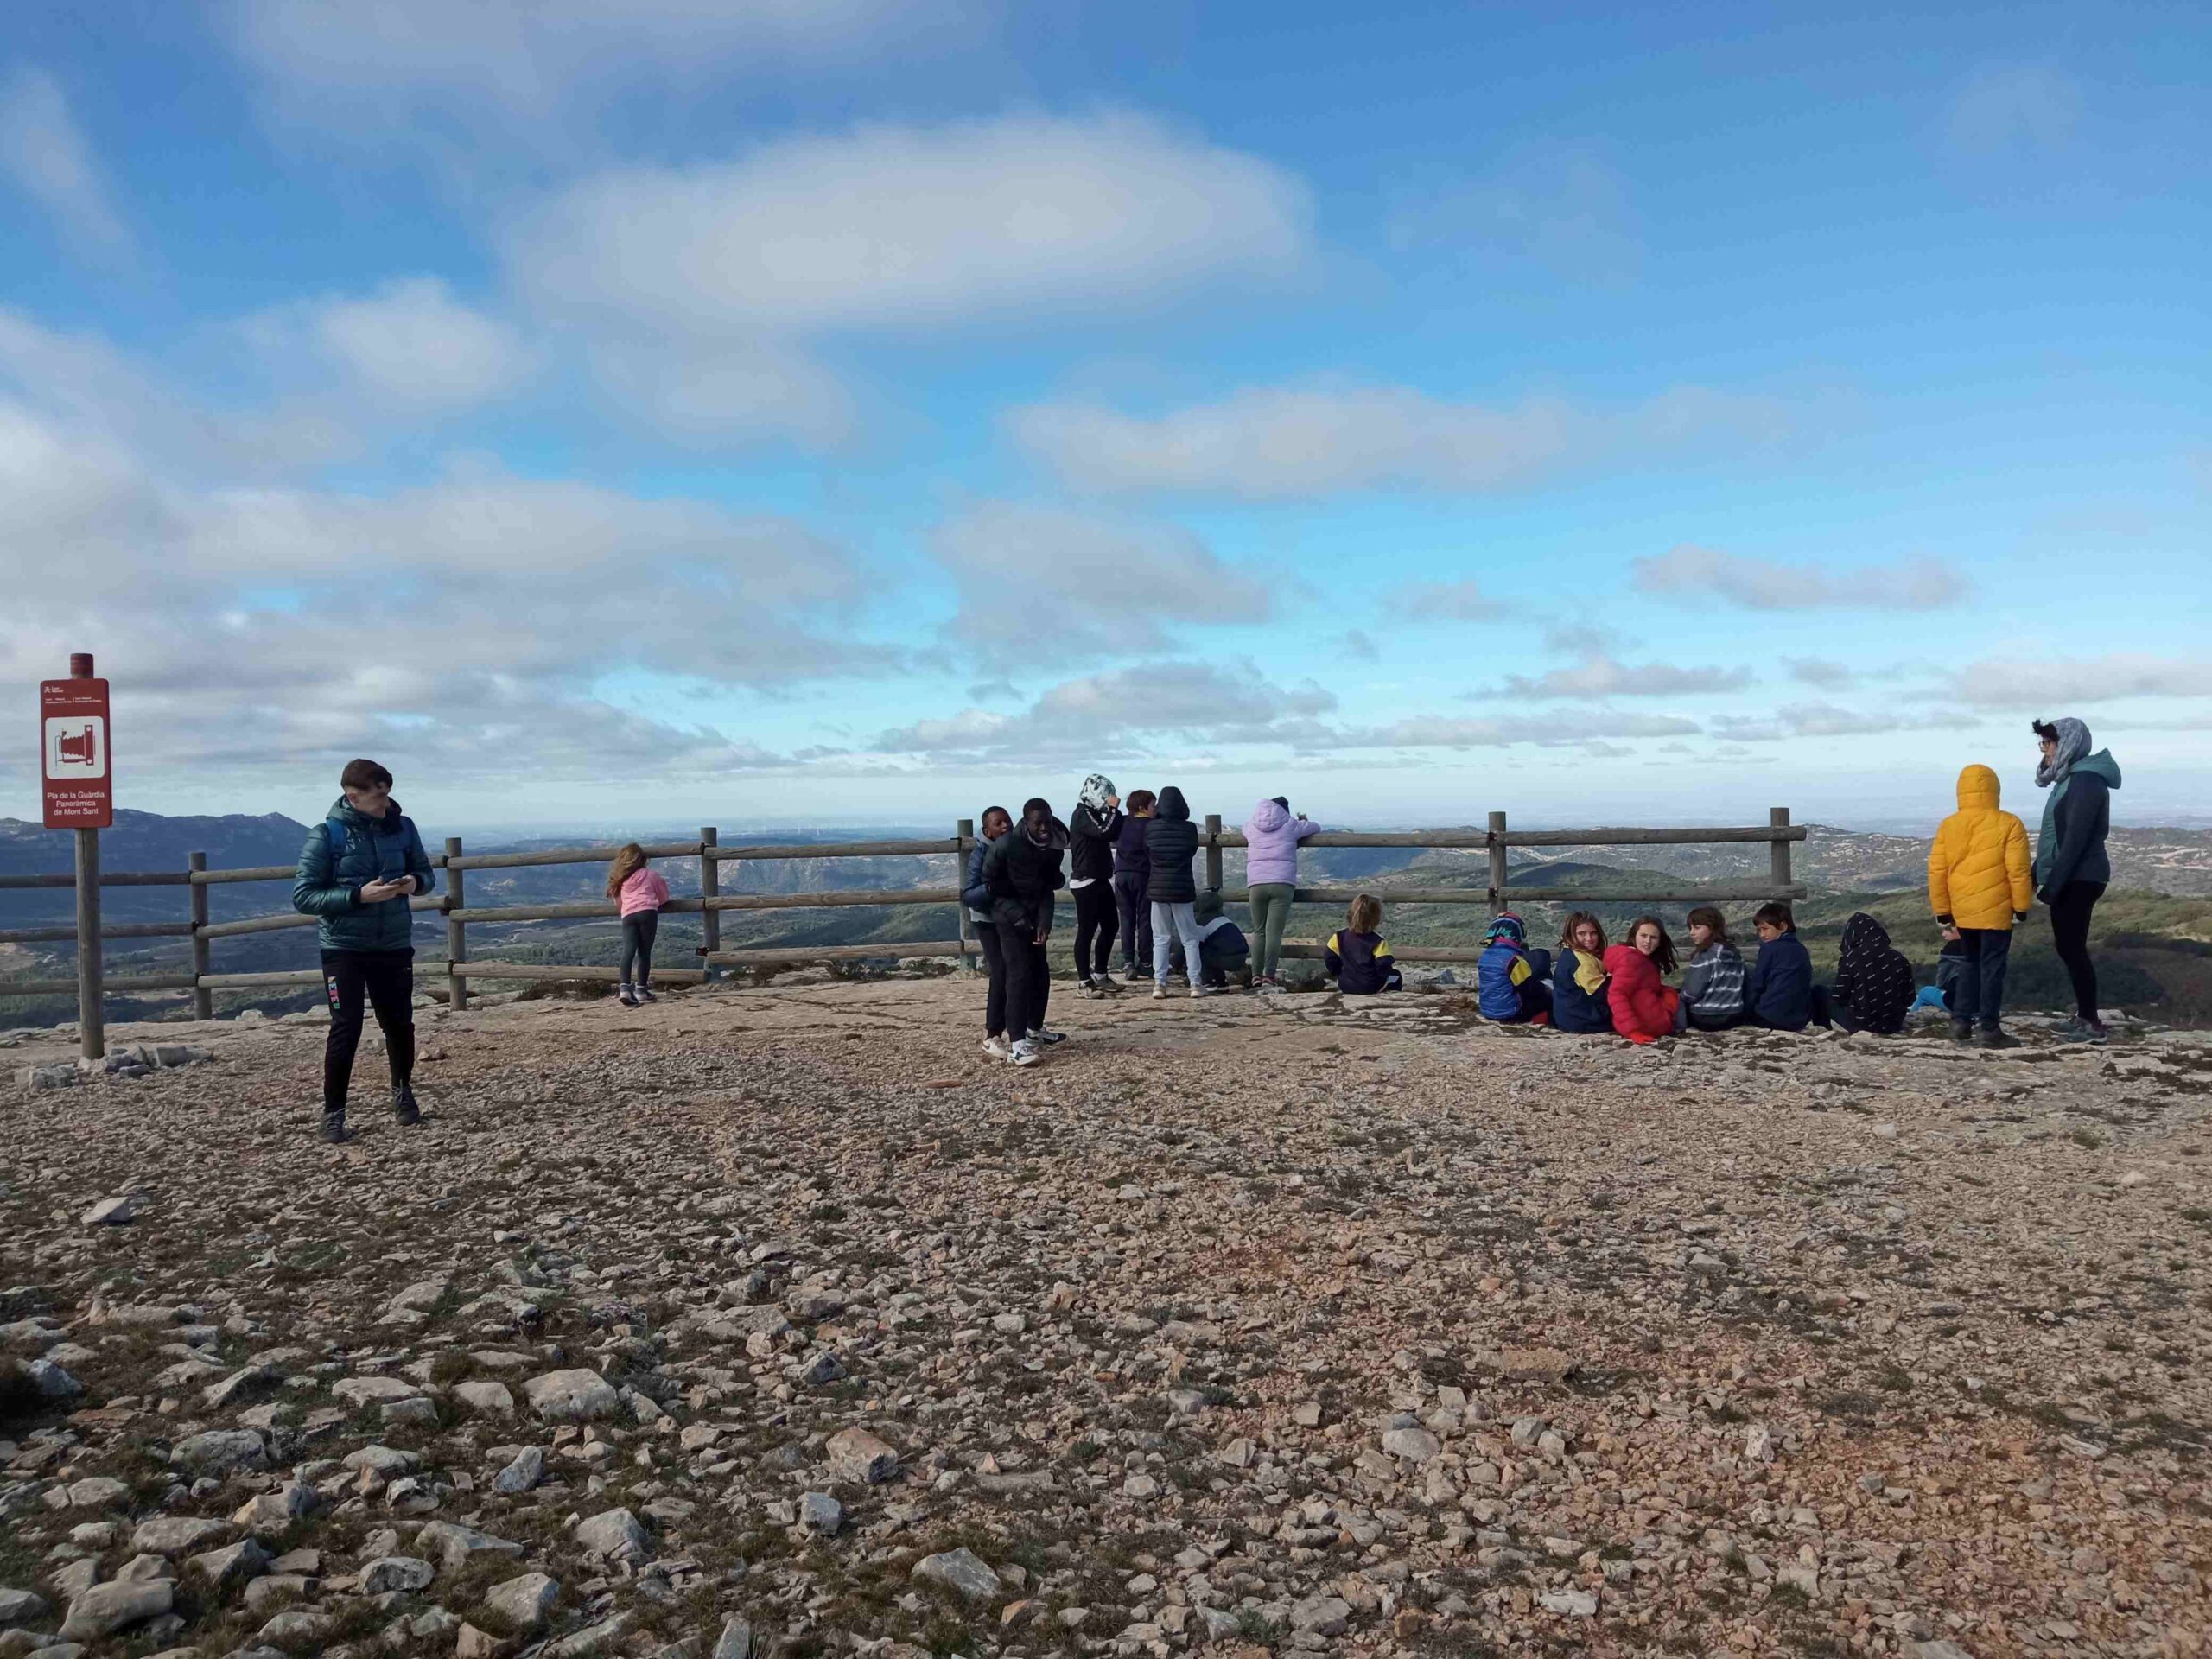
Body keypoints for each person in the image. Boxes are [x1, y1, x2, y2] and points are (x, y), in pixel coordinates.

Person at [290, 758, 437, 1143]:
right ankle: (333, 1113)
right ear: (352, 796)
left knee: (400, 1023)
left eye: (388, 794)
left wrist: (413, 884)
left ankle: (403, 1094)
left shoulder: (404, 828)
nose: (386, 804)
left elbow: (427, 874)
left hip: (393, 943)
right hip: (344, 949)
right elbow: (304, 896)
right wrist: (358, 896)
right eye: (378, 798)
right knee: (346, 1028)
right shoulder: (326, 836)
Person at [1929, 762, 2032, 1049]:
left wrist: (1943, 911)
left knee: (1970, 964)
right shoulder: (2009, 823)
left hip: (1963, 910)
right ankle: (1990, 1029)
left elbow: (1937, 871)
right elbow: (2019, 872)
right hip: (1997, 911)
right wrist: (2021, 907)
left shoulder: (1949, 825)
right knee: (1993, 968)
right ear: (1995, 789)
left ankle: (1960, 1023)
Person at [2032, 717, 2123, 1044]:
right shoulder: (2071, 779)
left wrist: (2052, 886)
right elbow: (2057, 839)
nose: (2044, 750)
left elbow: (2076, 840)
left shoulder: (2084, 781)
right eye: (2042, 743)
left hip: (2080, 876)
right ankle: (2086, 1016)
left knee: (2072, 948)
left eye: (2048, 743)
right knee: (2070, 947)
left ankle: (2090, 1022)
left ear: (2067, 743)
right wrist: (2035, 872)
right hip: (2075, 874)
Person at [982, 798, 1067, 1065]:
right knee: (1017, 974)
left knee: (1040, 973)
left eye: (1047, 821)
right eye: (1037, 823)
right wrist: (1017, 914)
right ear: (1026, 822)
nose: (1044, 828)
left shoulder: (1053, 845)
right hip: (1008, 917)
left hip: (1033, 916)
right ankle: (1017, 1043)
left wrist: (1044, 922)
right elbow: (990, 885)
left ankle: (1033, 1029)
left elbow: (1046, 888)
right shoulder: (1007, 845)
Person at [1243, 796, 1322, 991]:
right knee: (1273, 933)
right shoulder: (1290, 824)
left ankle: (1255, 976)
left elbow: (1244, 830)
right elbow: (1315, 827)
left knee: (1259, 931)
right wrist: (1302, 820)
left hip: (1256, 883)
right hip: (1282, 883)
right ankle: (1269, 976)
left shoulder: (1251, 826)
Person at [1144, 786, 1213, 1000]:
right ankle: (1195, 983)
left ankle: (1159, 984)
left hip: (1157, 888)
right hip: (1182, 887)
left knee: (1160, 938)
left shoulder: (1151, 828)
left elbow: (1148, 852)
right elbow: (1191, 850)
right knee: (1190, 938)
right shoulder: (1189, 829)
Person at [963, 806, 1015, 1058]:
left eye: (1007, 821)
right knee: (1002, 970)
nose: (1005, 826)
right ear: (987, 831)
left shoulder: (1016, 848)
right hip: (987, 921)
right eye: (998, 823)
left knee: (1020, 970)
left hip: (1011, 918)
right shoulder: (980, 853)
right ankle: (992, 1034)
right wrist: (993, 889)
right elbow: (969, 895)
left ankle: (1024, 1028)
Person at [1067, 774, 1123, 997]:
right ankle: (1084, 982)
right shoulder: (1082, 814)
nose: (1109, 798)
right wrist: (1112, 810)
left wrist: (1112, 814)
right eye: (1106, 794)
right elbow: (1105, 833)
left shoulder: (1091, 814)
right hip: (1085, 881)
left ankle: (1100, 974)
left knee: (1111, 926)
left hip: (1099, 878)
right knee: (1086, 931)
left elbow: (1110, 831)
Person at [1828, 912, 1915, 1035]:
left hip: (1861, 1024)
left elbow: (1839, 996)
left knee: (1819, 993)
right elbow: (1910, 998)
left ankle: (1824, 1031)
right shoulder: (1899, 958)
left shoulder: (1851, 958)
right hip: (1893, 1024)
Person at [606, 844, 671, 1007]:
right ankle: (641, 990)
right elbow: (664, 897)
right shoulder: (651, 875)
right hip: (647, 912)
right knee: (644, 952)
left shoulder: (622, 880)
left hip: (628, 916)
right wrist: (656, 903)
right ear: (642, 860)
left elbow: (619, 903)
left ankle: (625, 989)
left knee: (628, 951)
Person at [1604, 916, 1679, 1044]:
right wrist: (1633, 1031)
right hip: (1647, 1026)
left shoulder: (1641, 959)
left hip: (1647, 1020)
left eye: (1653, 937)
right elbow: (1617, 994)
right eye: (1643, 935)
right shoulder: (1631, 961)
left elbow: (1647, 986)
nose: (1648, 941)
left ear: (1659, 942)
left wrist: (1668, 992)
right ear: (1634, 936)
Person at [1745, 901, 1815, 1032]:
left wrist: (1748, 1009)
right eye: (1759, 930)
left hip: (1770, 1017)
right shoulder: (1801, 949)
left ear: (1782, 926)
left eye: (1765, 929)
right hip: (1799, 1019)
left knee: (1746, 971)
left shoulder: (1769, 949)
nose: (1762, 934)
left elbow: (1758, 983)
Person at [1676, 906, 1747, 1032]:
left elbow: (1691, 994)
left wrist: (1680, 994)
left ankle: (1678, 1029)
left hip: (1706, 1017)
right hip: (1735, 1015)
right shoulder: (1735, 954)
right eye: (1691, 928)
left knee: (1677, 997)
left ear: (1712, 928)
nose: (1691, 933)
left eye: (1697, 928)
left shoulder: (1705, 956)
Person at [1111, 789, 1155, 983]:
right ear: (1142, 807)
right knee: (1145, 919)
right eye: (1153, 805)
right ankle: (1146, 963)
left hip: (1121, 874)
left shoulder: (1122, 822)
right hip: (1143, 875)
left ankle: (1128, 962)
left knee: (1126, 919)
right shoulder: (1152, 826)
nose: (1155, 809)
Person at [1477, 912, 1553, 1024]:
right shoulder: (1513, 960)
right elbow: (1528, 988)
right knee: (1547, 1000)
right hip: (1510, 1013)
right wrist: (1546, 990)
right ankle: (1548, 1024)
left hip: (1487, 1010)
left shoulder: (1485, 956)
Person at [1168, 889, 1251, 988]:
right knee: (1211, 949)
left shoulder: (1202, 922)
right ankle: (1221, 982)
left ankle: (1207, 981)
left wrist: (1175, 963)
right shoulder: (1223, 919)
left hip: (1225, 959)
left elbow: (1190, 945)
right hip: (1241, 956)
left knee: (1197, 949)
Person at [1551, 912, 1614, 1033]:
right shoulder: (1583, 963)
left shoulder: (1570, 953)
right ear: (1571, 935)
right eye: (1582, 934)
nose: (1589, 938)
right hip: (1584, 1021)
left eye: (1593, 933)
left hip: (1567, 1017)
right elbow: (1603, 993)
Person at [1325, 893, 1401, 994]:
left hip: (1346, 985)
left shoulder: (1338, 937)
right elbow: (1384, 965)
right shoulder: (1378, 942)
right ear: (1376, 918)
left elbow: (1329, 959)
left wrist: (1339, 973)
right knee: (1397, 975)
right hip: (1371, 986)